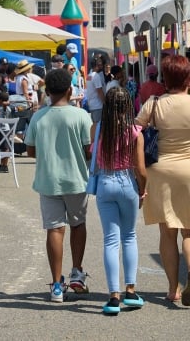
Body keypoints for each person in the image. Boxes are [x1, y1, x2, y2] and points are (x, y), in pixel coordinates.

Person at [25, 68, 92, 302]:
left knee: (54, 229)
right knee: (78, 224)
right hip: (76, 179)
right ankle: (77, 271)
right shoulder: (81, 116)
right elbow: (88, 149)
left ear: (48, 91)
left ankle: (56, 284)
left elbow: (30, 149)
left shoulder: (38, 117)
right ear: (70, 90)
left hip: (48, 179)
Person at [135, 54, 190, 304]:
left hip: (161, 172)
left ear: (164, 78)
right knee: (189, 232)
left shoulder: (153, 103)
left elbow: (134, 131)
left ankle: (173, 289)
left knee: (168, 232)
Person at [95, 87, 147, 314]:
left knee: (110, 240)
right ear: (128, 106)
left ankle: (113, 296)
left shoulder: (97, 129)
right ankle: (131, 291)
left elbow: (92, 156)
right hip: (127, 182)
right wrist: (142, 191)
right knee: (129, 236)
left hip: (106, 182)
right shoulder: (136, 131)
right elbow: (141, 170)